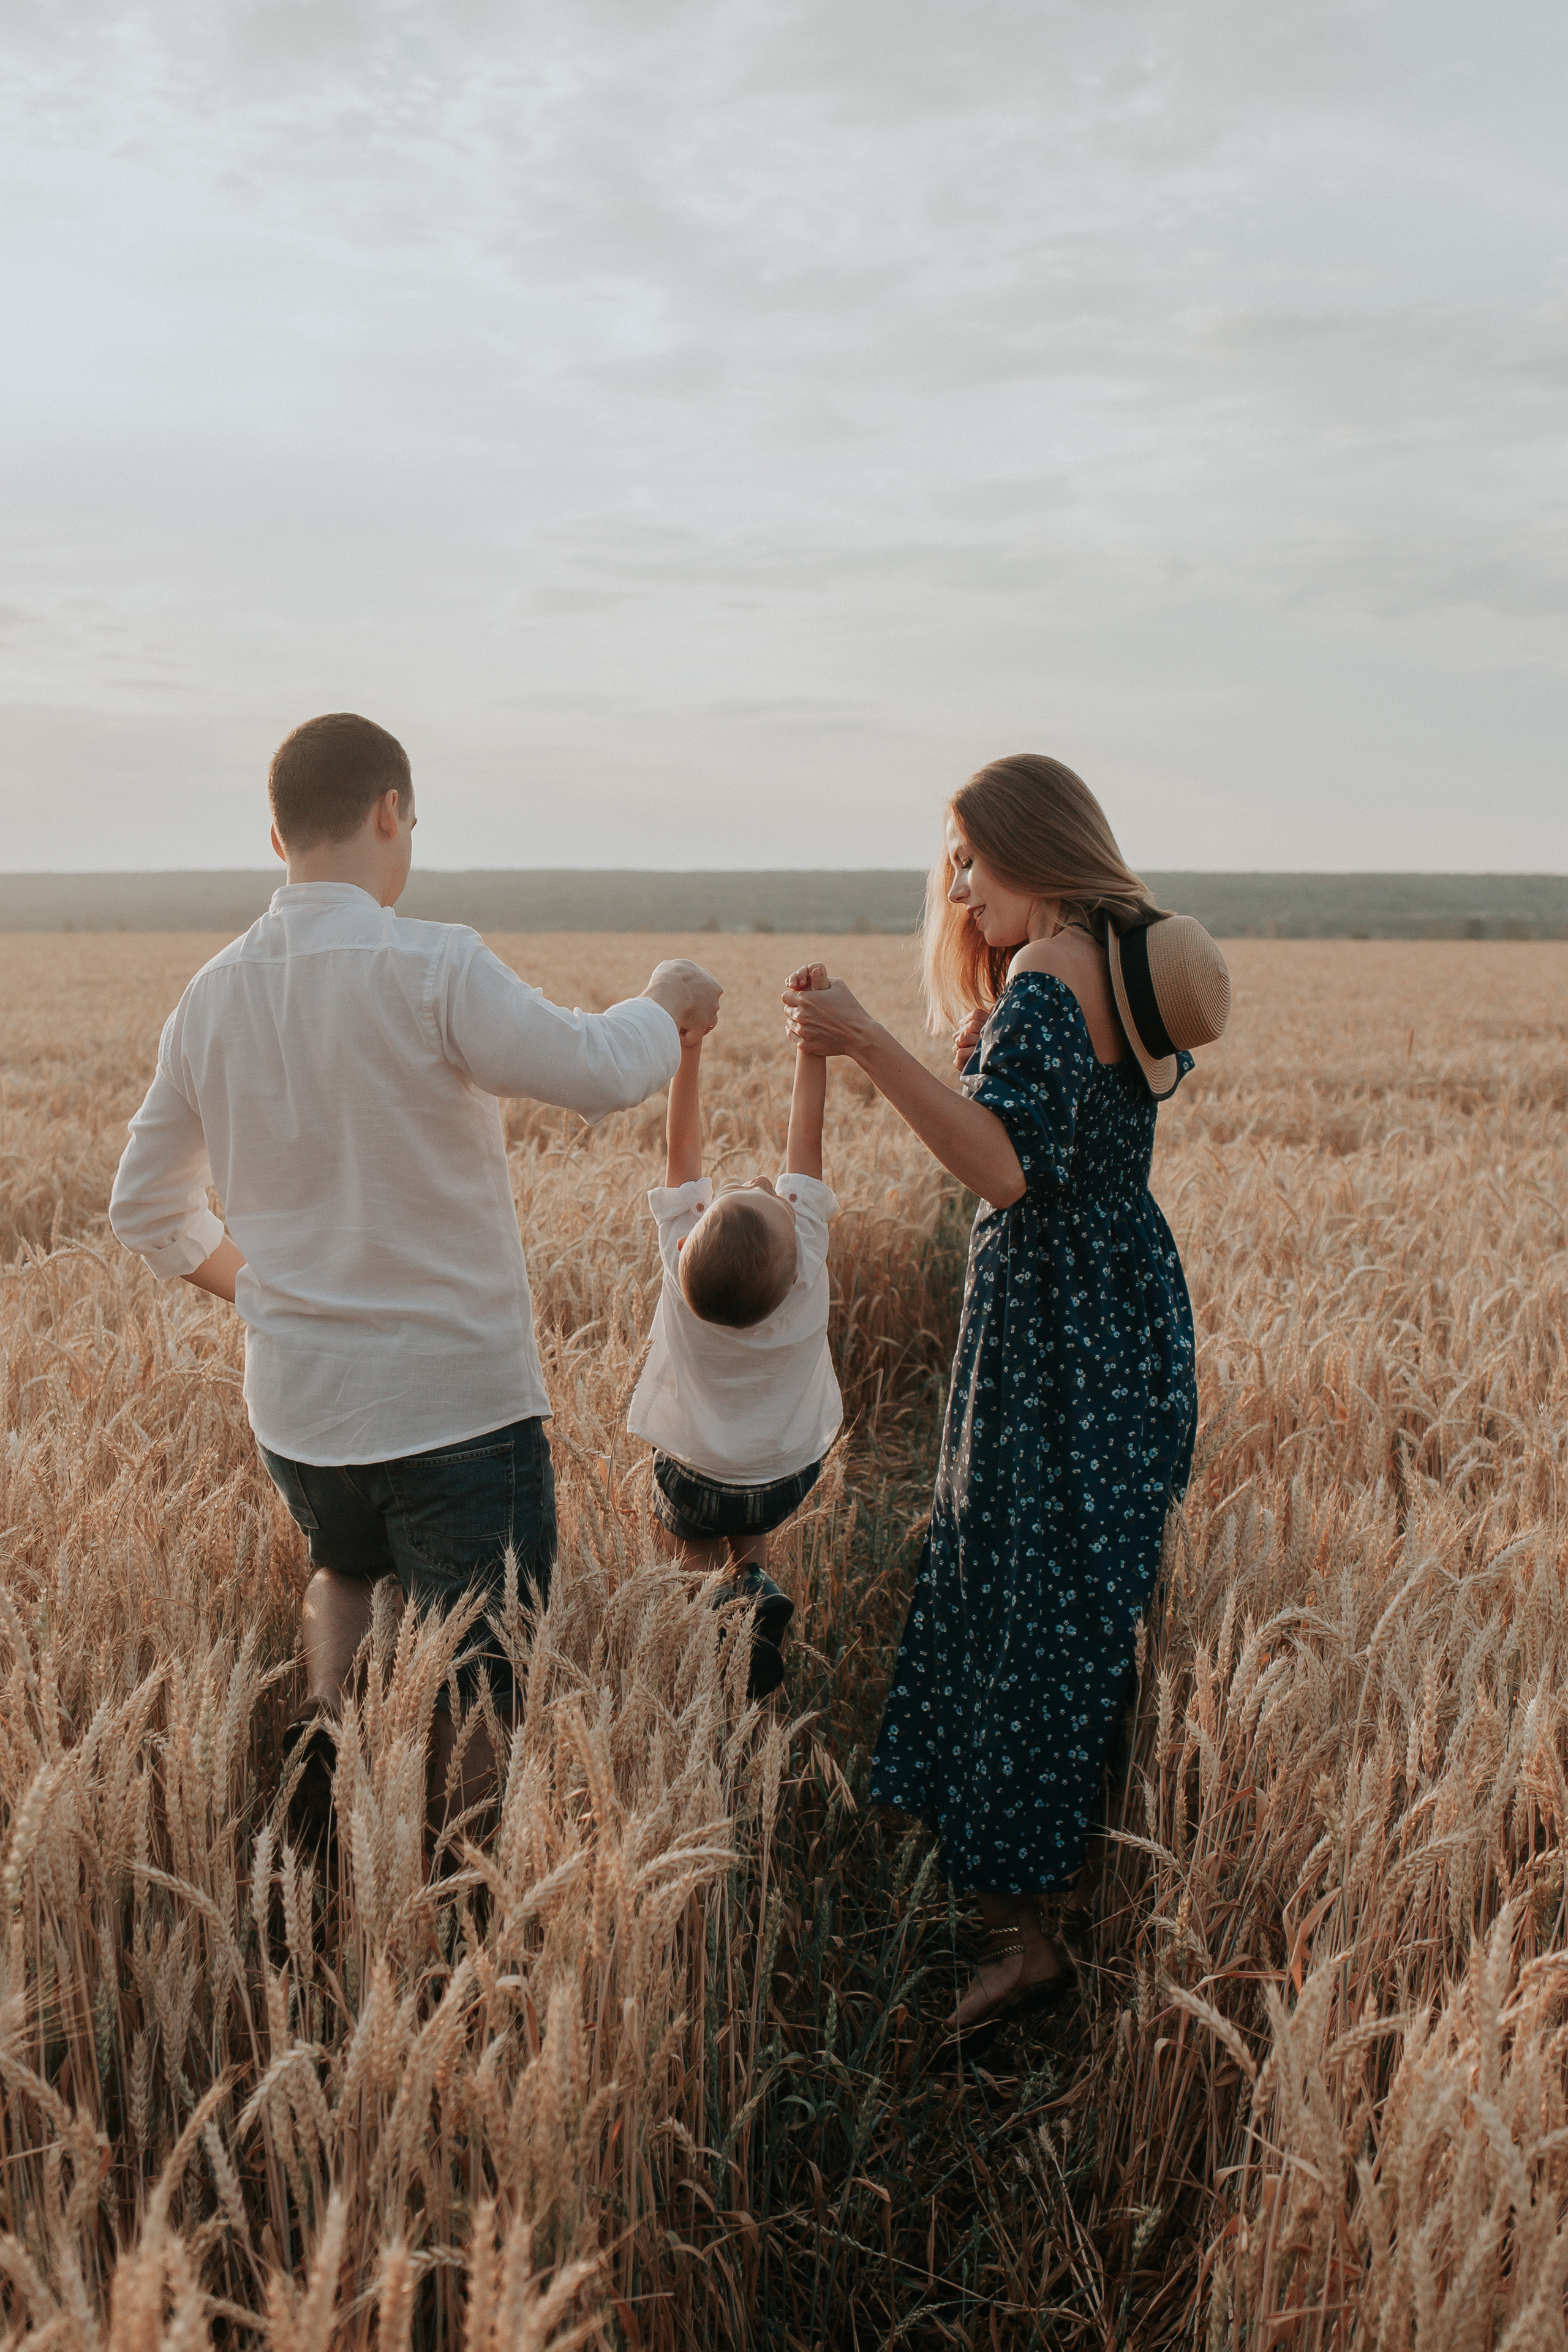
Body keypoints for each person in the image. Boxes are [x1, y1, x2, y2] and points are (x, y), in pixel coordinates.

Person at [108, 711, 721, 1843]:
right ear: (389, 812)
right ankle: (456, 1885)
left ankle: (336, 1825)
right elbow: (597, 1073)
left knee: (344, 1574)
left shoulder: (212, 994)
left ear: (276, 837)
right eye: (413, 821)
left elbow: (143, 1208)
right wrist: (668, 996)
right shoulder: (432, 962)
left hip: (302, 1408)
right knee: (485, 1672)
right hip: (455, 1409)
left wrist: (273, 1297)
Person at [783, 753, 1228, 2035]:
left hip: (1047, 1323)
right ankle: (1071, 1897)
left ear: (1032, 849)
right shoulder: (1119, 957)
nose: (962, 886)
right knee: (1090, 1597)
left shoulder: (1043, 975)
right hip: (1124, 1300)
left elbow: (1002, 1170)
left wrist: (866, 1040)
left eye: (974, 859)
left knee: (1025, 1598)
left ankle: (1025, 1942)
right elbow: (1079, 1129)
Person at [627, 966, 842, 1698]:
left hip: (694, 1474)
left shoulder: (682, 1269)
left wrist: (687, 1051)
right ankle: (753, 1575)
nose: (758, 1182)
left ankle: (715, 1605)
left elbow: (682, 1156)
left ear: (686, 1246)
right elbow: (802, 1143)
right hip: (783, 1475)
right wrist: (810, 1047)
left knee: (687, 1539)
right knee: (749, 1494)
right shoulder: (804, 1271)